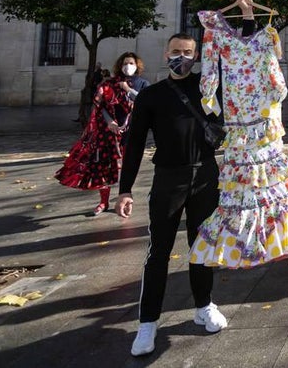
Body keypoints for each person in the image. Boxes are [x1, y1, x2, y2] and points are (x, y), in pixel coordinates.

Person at [189, 0, 288, 269]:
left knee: (265, 181)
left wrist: (210, 100)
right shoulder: (215, 32)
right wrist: (211, 97)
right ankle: (247, 241)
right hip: (246, 114)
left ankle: (271, 236)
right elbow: (212, 71)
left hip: (254, 114)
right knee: (247, 183)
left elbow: (270, 72)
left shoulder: (263, 34)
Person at [116, 31, 229, 357]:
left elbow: (242, 68)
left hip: (206, 175)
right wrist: (125, 190)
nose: (183, 57)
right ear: (166, 55)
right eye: (177, 51)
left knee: (202, 247)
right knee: (158, 253)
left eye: (189, 52)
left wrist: (247, 18)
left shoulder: (208, 89)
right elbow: (135, 144)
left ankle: (204, 305)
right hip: (168, 179)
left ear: (197, 56)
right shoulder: (151, 96)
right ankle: (147, 322)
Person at [55, 52, 144, 215]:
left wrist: (128, 89)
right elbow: (100, 105)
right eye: (125, 62)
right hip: (108, 133)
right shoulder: (109, 83)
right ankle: (104, 202)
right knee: (104, 166)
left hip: (131, 131)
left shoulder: (142, 83)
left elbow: (145, 102)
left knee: (127, 167)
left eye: (131, 63)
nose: (128, 66)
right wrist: (109, 121)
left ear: (137, 65)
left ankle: (124, 199)